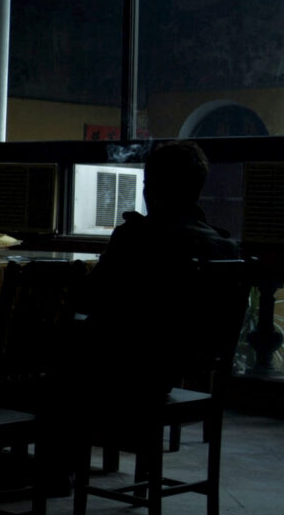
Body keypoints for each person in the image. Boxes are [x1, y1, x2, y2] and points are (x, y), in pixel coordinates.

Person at [74, 139, 240, 397]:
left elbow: (89, 298)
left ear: (153, 188)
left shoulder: (137, 236)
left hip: (130, 364)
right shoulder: (225, 247)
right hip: (182, 363)